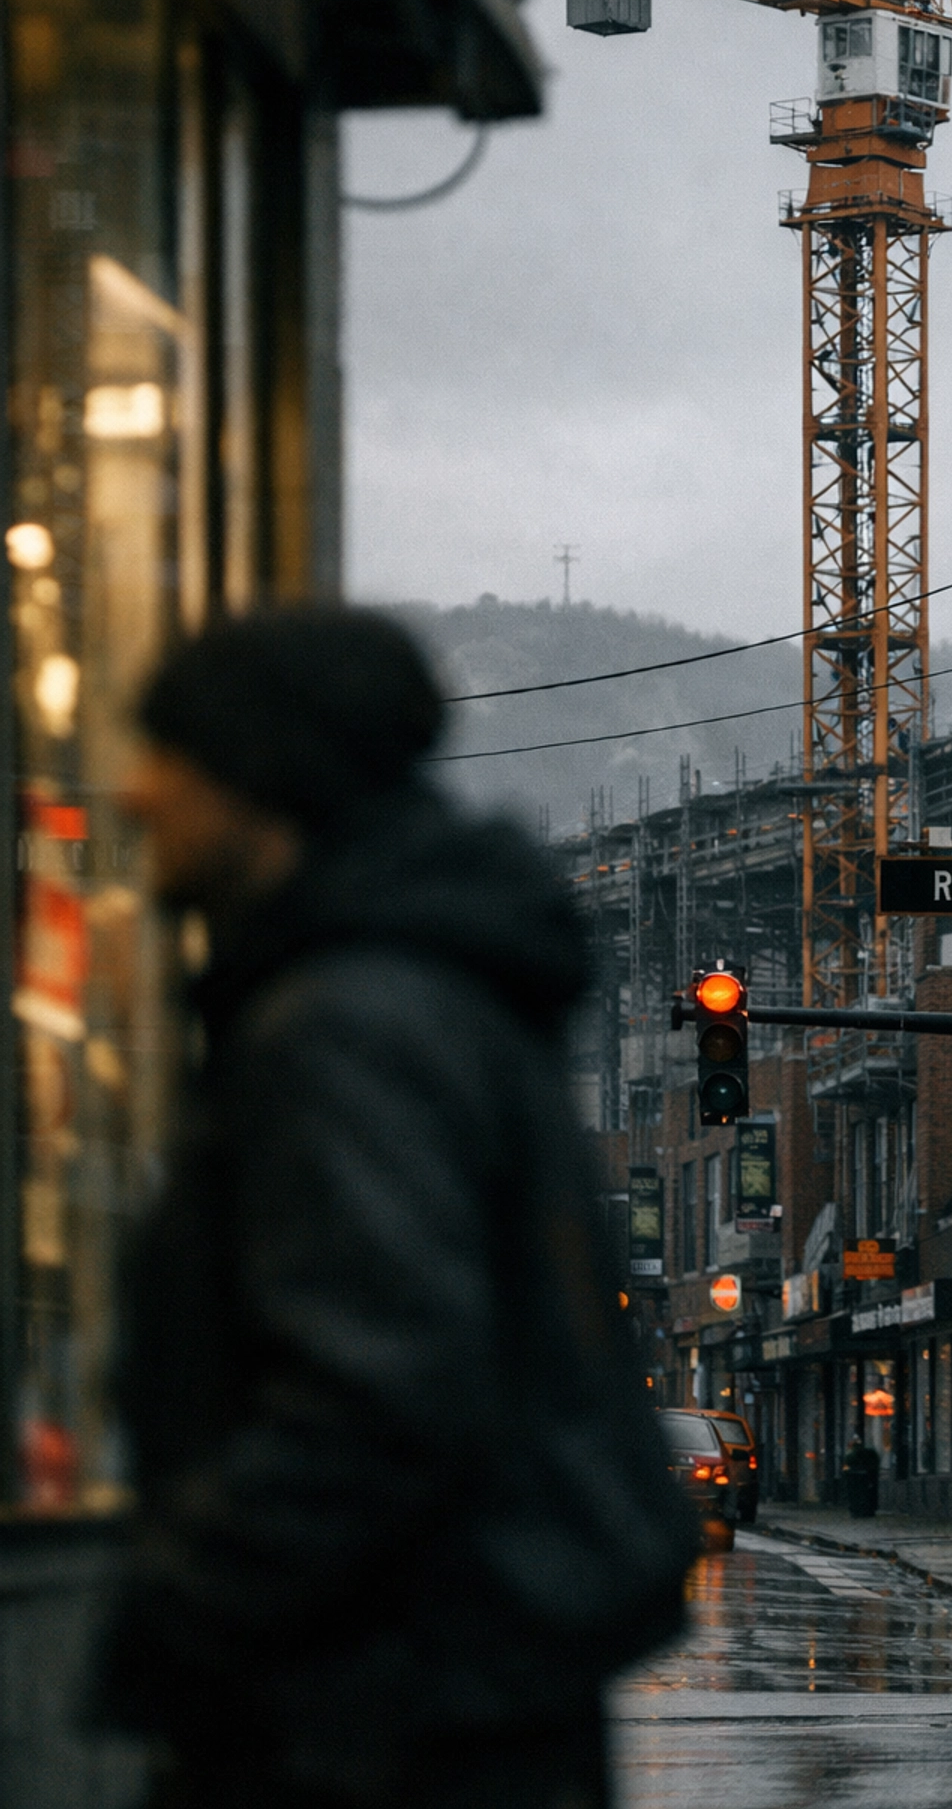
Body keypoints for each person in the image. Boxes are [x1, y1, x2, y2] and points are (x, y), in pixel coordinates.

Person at [95, 607, 697, 1809]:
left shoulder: (347, 1025)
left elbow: (377, 1396)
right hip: (459, 1694)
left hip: (381, 1715)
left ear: (259, 776)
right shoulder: (431, 996)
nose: (135, 795)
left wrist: (169, 1609)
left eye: (165, 756)